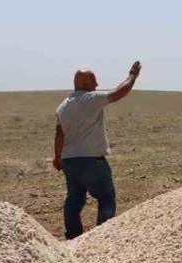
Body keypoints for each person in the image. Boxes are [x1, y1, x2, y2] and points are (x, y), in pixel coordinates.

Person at [53, 61, 141, 239]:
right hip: (91, 161)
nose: (97, 84)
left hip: (70, 160)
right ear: (85, 83)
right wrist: (132, 76)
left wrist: (57, 156)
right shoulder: (89, 99)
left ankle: (73, 236)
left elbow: (59, 134)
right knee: (106, 197)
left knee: (74, 198)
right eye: (94, 81)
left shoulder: (63, 106)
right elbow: (118, 93)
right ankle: (102, 237)